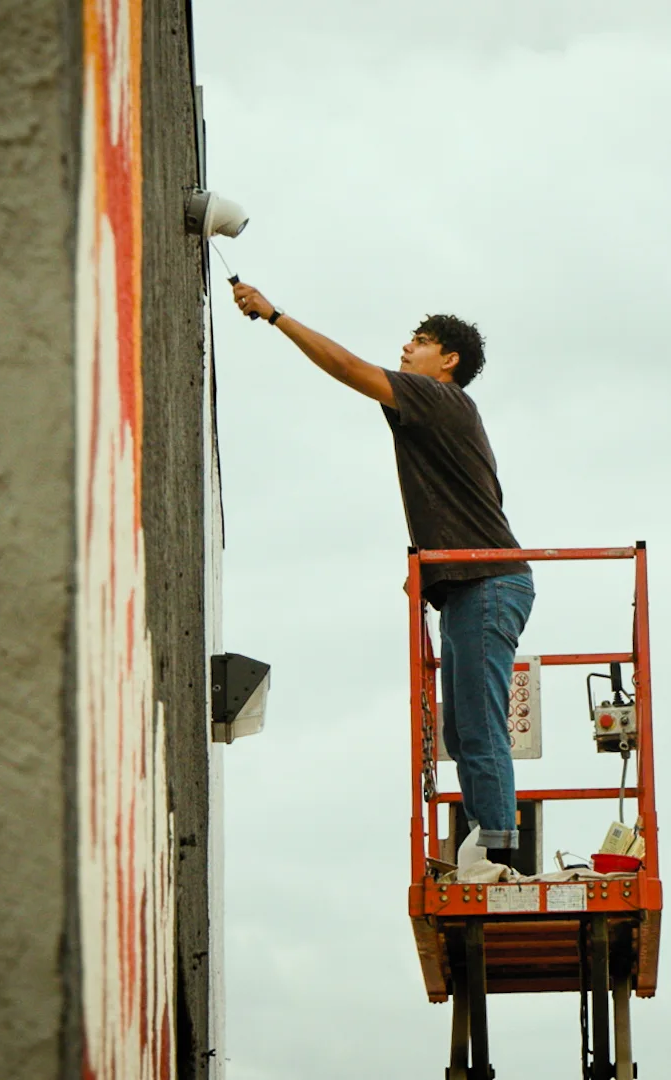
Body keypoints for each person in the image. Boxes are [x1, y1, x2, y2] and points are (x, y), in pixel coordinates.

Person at [231, 281, 534, 867]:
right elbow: (472, 498)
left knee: (477, 720)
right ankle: (487, 842)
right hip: (467, 582)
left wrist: (275, 315)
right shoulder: (443, 413)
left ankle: (498, 847)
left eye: (419, 342)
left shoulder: (438, 398)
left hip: (487, 581)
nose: (406, 347)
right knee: (461, 729)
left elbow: (346, 367)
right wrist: (427, 560)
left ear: (448, 361)